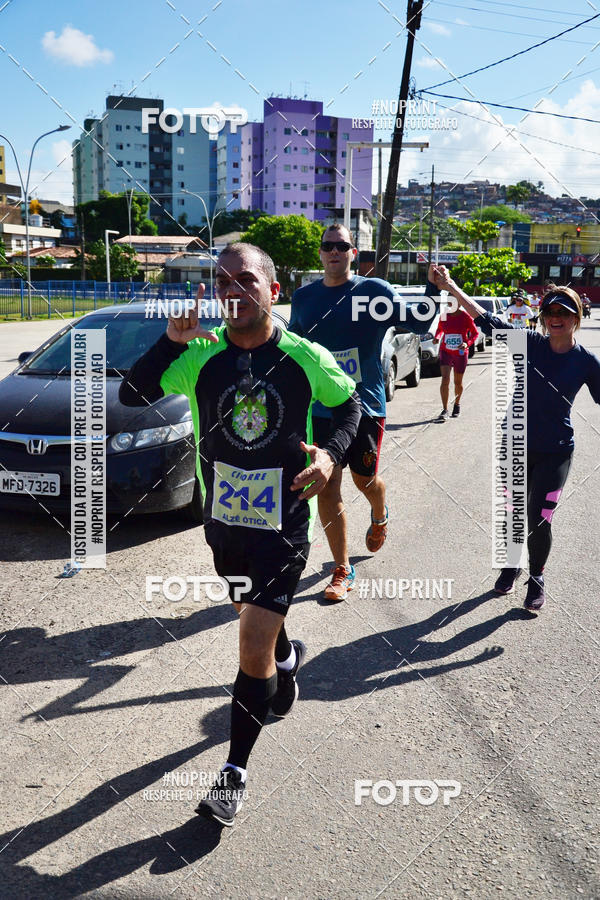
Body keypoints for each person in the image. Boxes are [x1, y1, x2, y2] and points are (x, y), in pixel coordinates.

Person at [120, 242, 361, 825]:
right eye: (223, 281)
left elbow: (353, 406)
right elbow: (134, 393)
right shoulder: (200, 354)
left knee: (249, 641)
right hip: (223, 525)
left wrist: (329, 459)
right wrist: (170, 341)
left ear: (272, 291)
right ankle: (286, 662)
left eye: (246, 280)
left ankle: (232, 774)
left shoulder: (305, 356)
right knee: (253, 622)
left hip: (285, 525)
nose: (233, 291)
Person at [430, 268, 600, 612]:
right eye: (551, 312)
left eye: (564, 313)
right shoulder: (529, 343)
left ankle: (536, 576)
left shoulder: (586, 362)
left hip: (556, 451)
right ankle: (511, 564)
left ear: (576, 318)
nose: (556, 318)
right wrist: (450, 287)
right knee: (512, 512)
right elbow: (485, 318)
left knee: (540, 519)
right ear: (543, 317)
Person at [289, 224, 437, 601]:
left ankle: (380, 511)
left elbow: (419, 322)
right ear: (320, 253)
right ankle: (342, 568)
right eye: (328, 246)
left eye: (343, 246)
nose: (334, 251)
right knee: (327, 482)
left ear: (354, 252)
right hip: (322, 408)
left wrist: (433, 287)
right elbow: (292, 349)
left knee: (364, 481)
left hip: (366, 404)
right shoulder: (305, 298)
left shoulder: (373, 291)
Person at [432, 301, 477, 420]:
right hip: (446, 350)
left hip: (460, 352)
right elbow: (440, 329)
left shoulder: (465, 317)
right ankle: (445, 409)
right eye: (449, 303)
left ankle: (457, 404)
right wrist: (437, 337)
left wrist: (467, 343)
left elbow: (475, 333)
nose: (451, 305)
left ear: (459, 304)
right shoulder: (444, 315)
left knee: (458, 382)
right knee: (445, 378)